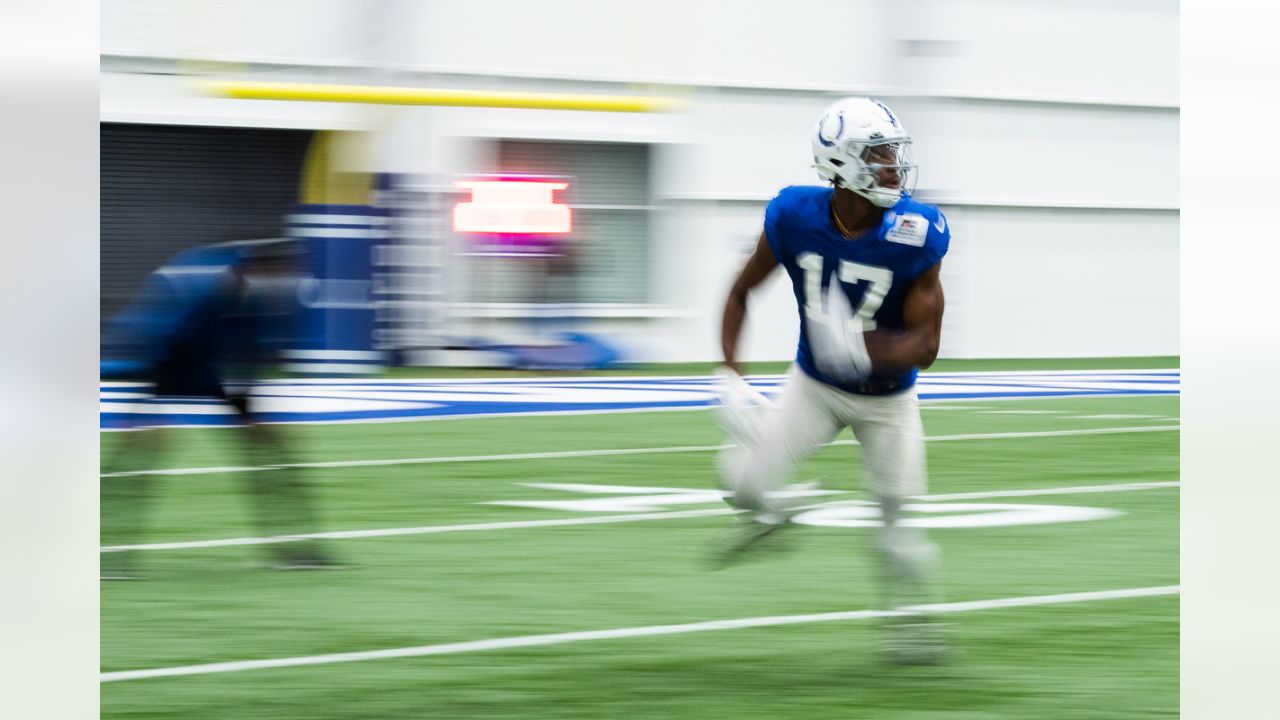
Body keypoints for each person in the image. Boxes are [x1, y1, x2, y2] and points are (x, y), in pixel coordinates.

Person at [713, 97, 950, 663]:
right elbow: (742, 288)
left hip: (889, 400)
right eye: (880, 155)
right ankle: (779, 509)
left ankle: (910, 624)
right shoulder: (795, 215)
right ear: (841, 164)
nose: (894, 167)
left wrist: (868, 349)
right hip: (814, 387)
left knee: (897, 535)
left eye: (894, 154)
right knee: (740, 484)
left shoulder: (918, 230)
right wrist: (729, 375)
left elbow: (929, 347)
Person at [101, 238, 341, 579]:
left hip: (208, 367)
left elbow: (248, 353)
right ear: (255, 270)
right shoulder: (201, 288)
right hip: (161, 360)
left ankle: (297, 551)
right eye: (280, 271)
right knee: (135, 459)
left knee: (271, 451)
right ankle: (109, 559)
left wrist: (252, 413)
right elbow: (155, 340)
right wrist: (147, 411)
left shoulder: (264, 296)